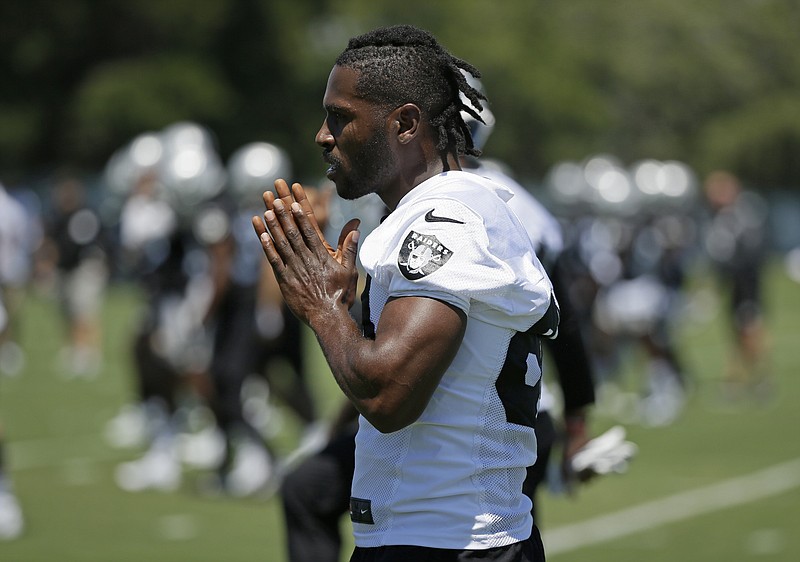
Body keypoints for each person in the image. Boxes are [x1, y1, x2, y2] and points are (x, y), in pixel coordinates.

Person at [254, 24, 558, 561]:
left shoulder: (443, 223)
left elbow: (388, 394)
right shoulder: (439, 212)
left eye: (340, 117)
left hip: (448, 543)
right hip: (437, 537)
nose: (322, 135)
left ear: (405, 123)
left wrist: (324, 310)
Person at [703, 170, 771, 400]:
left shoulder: (743, 215)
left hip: (746, 280)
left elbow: (747, 251)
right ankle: (738, 378)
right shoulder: (720, 217)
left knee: (749, 326)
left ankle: (759, 377)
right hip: (733, 281)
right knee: (735, 329)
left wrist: (734, 271)